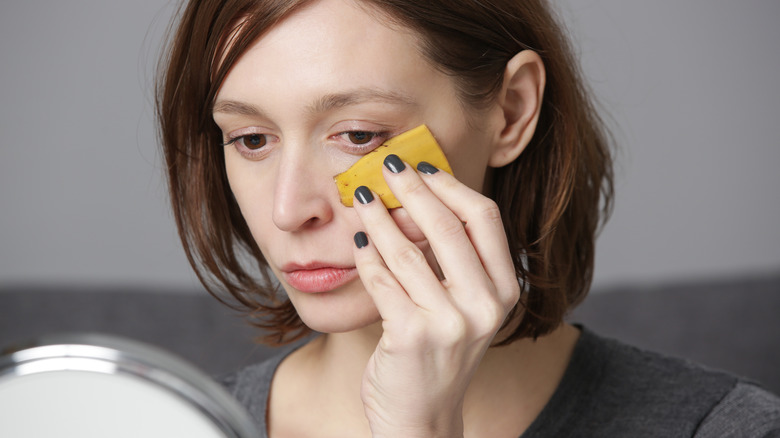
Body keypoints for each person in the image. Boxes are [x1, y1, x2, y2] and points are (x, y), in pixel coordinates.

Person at [156, 0, 780, 436]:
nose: (288, 210)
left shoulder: (722, 428)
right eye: (252, 140)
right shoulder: (162, 426)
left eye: (358, 134)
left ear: (510, 111)